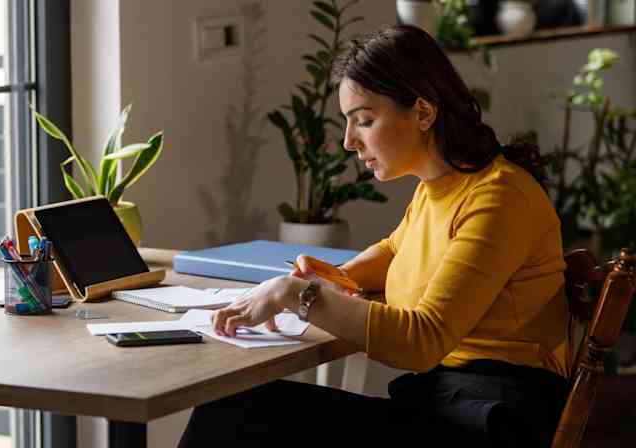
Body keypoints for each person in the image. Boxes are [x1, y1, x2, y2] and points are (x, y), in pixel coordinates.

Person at [178, 25, 570, 448]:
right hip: (450, 405)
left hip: (493, 423)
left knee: (232, 415)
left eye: (364, 120)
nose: (349, 141)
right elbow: (395, 251)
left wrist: (297, 295)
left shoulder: (498, 198)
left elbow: (422, 340)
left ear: (423, 112)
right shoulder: (437, 188)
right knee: (233, 410)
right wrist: (331, 276)